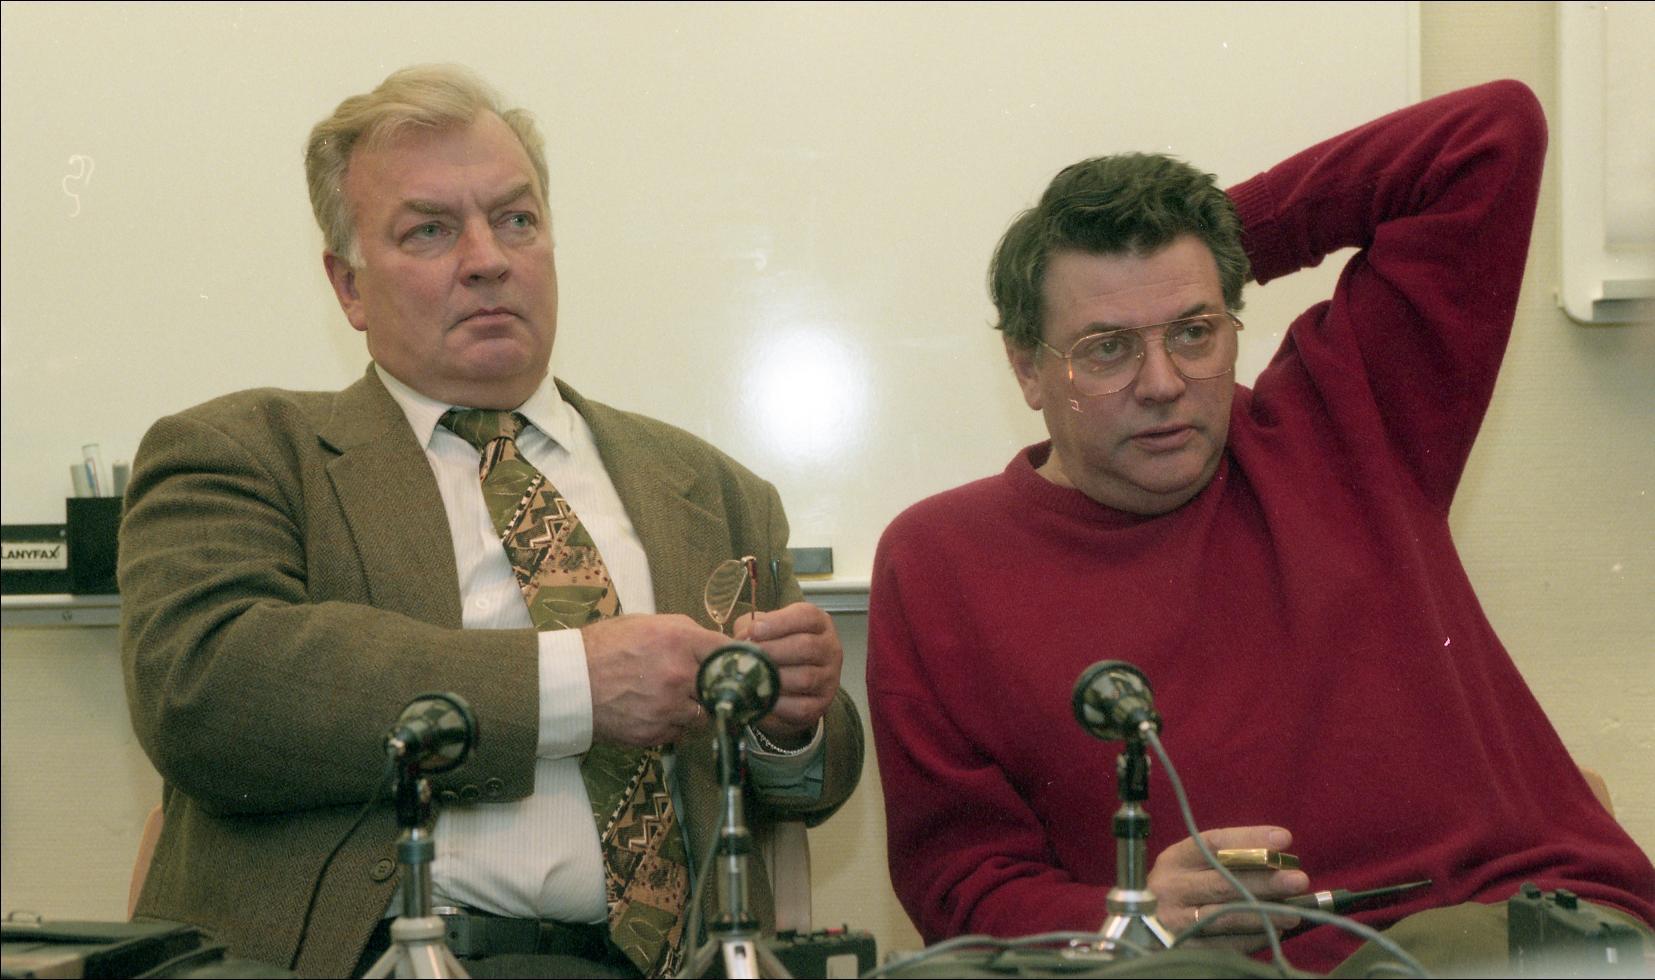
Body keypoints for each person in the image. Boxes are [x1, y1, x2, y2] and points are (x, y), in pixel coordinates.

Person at [866, 79, 1655, 977]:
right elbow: (959, 880)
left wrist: (1206, 241)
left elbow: (1488, 135)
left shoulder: (1342, 425)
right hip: (1194, 967)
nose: (1162, 383)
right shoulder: (937, 562)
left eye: (1194, 330)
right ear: (1025, 368)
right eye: (1107, 347)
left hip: (1480, 922)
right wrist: (1128, 918)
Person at [120, 64, 862, 979]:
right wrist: (578, 685)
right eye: (430, 230)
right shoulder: (247, 452)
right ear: (348, 286)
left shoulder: (710, 486)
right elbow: (205, 692)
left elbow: (810, 787)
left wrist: (787, 723)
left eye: (516, 220)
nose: (487, 259)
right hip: (379, 958)